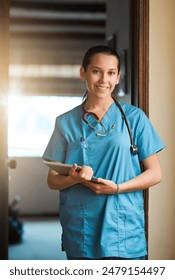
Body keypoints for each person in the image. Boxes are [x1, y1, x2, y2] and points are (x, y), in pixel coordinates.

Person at [43, 45, 165, 260]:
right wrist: (72, 178)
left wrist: (117, 188)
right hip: (82, 229)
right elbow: (52, 181)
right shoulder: (65, 122)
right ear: (84, 73)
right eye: (96, 71)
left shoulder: (135, 118)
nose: (103, 80)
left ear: (118, 77)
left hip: (123, 230)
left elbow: (155, 173)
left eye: (111, 73)